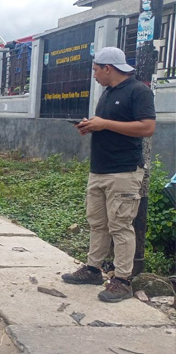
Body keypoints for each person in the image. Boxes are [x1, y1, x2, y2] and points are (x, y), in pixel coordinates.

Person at [61, 47, 156, 303]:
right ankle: (93, 269)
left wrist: (104, 124)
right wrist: (92, 126)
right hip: (99, 169)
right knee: (97, 223)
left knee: (121, 226)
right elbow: (111, 126)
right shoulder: (108, 93)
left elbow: (147, 127)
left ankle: (122, 280)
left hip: (123, 171)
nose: (93, 75)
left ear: (108, 68)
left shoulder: (139, 91)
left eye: (95, 69)